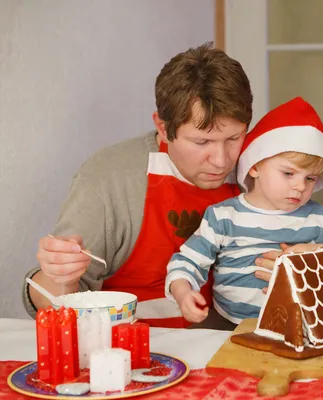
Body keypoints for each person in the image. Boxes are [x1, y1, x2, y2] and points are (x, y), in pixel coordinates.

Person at [23, 42, 255, 328]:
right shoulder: (110, 177)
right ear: (163, 128)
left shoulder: (260, 166)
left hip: (233, 346)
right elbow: (53, 301)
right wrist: (58, 274)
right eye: (202, 142)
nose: (222, 161)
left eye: (234, 138)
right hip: (128, 349)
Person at [165, 97, 323, 327]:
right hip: (229, 325)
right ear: (255, 166)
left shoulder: (320, 220)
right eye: (289, 173)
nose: (300, 186)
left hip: (301, 327)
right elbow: (187, 262)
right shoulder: (223, 217)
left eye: (310, 178)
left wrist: (319, 257)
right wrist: (183, 293)